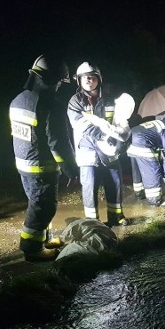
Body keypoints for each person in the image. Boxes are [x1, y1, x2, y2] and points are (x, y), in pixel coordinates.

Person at [9, 55, 78, 261]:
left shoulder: (18, 100)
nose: (58, 86)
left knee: (37, 202)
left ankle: (45, 239)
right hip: (42, 166)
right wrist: (70, 168)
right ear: (52, 80)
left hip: (23, 163)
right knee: (44, 206)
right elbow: (57, 142)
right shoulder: (50, 105)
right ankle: (32, 249)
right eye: (59, 82)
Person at [68, 62, 130, 227]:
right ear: (79, 81)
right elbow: (79, 123)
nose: (89, 79)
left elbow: (121, 119)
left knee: (114, 180)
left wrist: (122, 138)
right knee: (89, 183)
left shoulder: (111, 96)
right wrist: (102, 135)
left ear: (98, 79)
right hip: (86, 147)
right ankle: (93, 221)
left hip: (109, 147)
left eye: (92, 76)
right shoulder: (75, 101)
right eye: (84, 77)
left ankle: (116, 216)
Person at [127, 109, 165, 206]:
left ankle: (139, 193)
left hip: (131, 141)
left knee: (138, 170)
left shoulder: (163, 122)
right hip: (142, 143)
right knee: (152, 170)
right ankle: (155, 200)